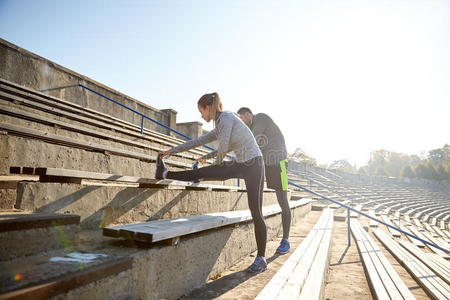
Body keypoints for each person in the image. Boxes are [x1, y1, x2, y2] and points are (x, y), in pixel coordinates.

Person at [155, 92, 268, 273]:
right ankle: (165, 173)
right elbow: (198, 141)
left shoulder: (227, 117)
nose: (201, 116)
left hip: (254, 164)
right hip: (241, 163)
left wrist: (213, 164)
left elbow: (223, 148)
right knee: (203, 171)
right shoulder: (220, 125)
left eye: (201, 111)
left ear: (208, 107)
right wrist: (172, 151)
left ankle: (261, 259)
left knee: (256, 211)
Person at [237, 107, 291, 254]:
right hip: (266, 163)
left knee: (283, 200)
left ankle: (286, 240)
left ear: (248, 115)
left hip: (280, 162)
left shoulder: (260, 118)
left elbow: (252, 139)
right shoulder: (251, 127)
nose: (242, 123)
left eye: (241, 119)